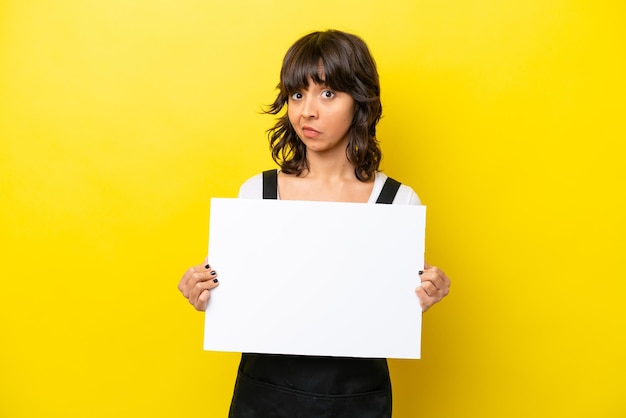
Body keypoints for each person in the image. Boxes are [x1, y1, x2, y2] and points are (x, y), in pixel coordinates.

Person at [178, 29, 451, 418]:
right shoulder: (258, 192)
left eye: (327, 94)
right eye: (297, 94)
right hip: (265, 395)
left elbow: (392, 305)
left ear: (360, 101)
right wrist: (202, 291)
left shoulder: (397, 201)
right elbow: (230, 292)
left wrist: (426, 294)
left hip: (357, 399)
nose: (308, 110)